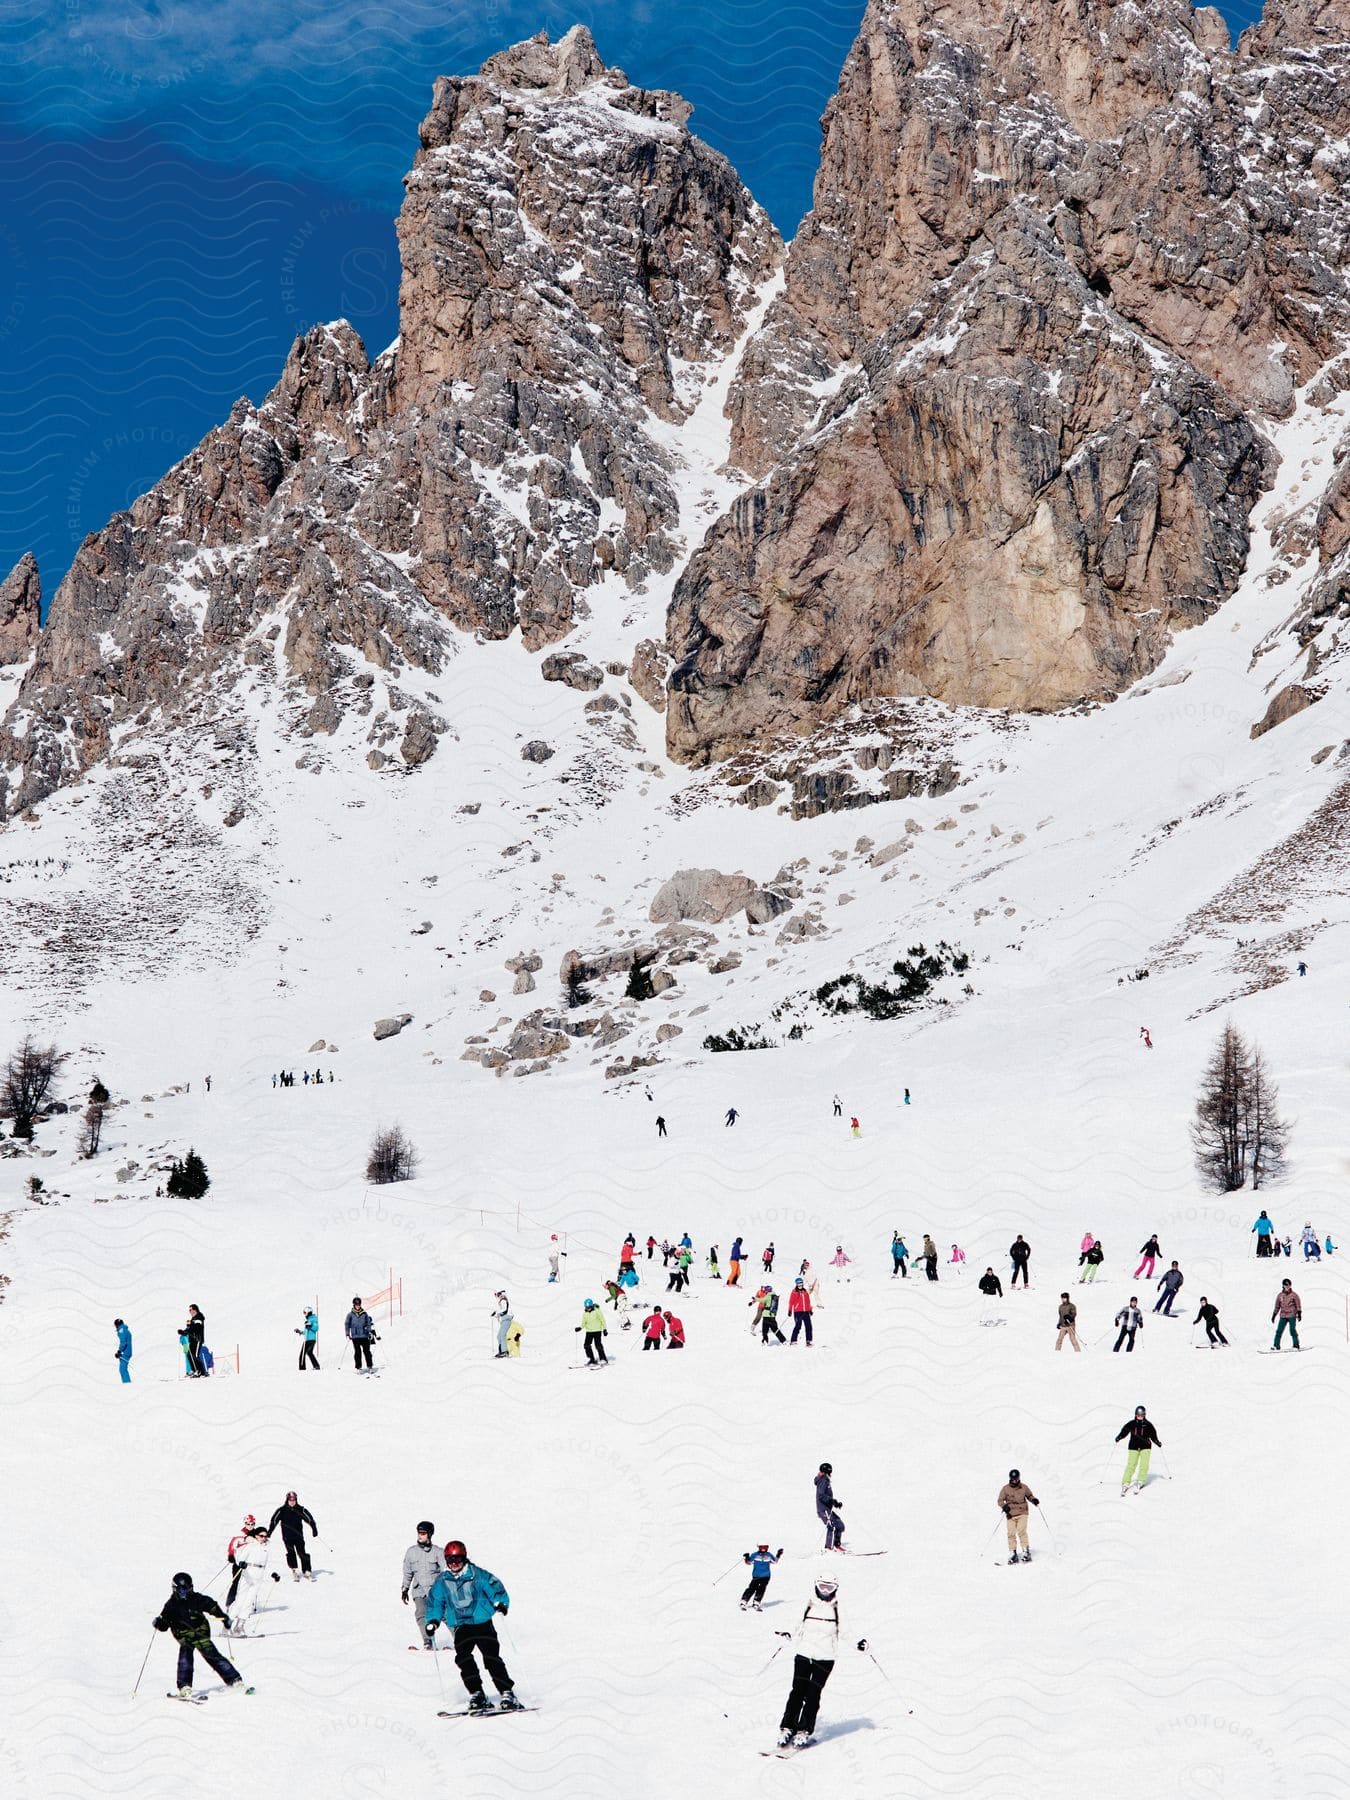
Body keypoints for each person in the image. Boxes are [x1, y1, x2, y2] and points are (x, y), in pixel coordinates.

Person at [424, 1541, 522, 1713]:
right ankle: (477, 1693)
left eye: (458, 1560)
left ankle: (507, 1692)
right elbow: (435, 1602)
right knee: (463, 1659)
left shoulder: (477, 1575)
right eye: (450, 1560)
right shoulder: (442, 1581)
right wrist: (433, 1620)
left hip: (482, 1621)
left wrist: (500, 1602)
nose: (454, 1564)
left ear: (464, 1558)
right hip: (461, 1624)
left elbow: (494, 1586)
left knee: (491, 1658)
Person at [777, 1575, 857, 1748]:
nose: (825, 1591)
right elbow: (795, 1623)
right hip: (804, 1654)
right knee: (797, 1692)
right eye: (822, 1587)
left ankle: (803, 1730)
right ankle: (787, 1727)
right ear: (816, 1586)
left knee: (813, 1694)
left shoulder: (837, 1608)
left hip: (826, 1657)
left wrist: (858, 1643)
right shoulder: (808, 1604)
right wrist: (787, 1633)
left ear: (835, 1588)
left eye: (829, 1588)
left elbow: (846, 1631)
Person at [154, 1572, 246, 1698]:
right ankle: (184, 1686)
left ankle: (235, 1680)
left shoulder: (196, 1598)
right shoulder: (171, 1605)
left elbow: (211, 1605)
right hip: (184, 1635)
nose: (184, 1593)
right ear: (175, 1589)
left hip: (200, 1632)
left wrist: (224, 1618)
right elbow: (164, 1624)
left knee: (213, 1655)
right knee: (185, 1657)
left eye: (187, 1589)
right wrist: (158, 1623)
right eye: (181, 1589)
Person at [402, 1521, 441, 1650]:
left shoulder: (437, 1552)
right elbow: (407, 1571)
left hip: (435, 1590)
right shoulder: (411, 1552)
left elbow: (447, 1569)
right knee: (421, 1613)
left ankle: (459, 1641)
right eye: (419, 1533)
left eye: (423, 1533)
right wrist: (405, 1588)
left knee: (445, 1614)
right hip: (419, 1590)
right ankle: (427, 1641)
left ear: (429, 1534)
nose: (420, 1536)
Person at [229, 1527, 276, 1632]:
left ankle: (240, 1625)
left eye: (265, 1536)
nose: (263, 1538)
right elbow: (240, 1556)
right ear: (256, 1536)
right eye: (261, 1536)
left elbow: (268, 1563)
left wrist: (273, 1574)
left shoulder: (267, 1548)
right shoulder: (251, 1546)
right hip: (249, 1573)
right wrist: (241, 1562)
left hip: (259, 1575)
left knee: (249, 1602)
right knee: (240, 1600)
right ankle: (228, 1624)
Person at [269, 1491, 318, 1580]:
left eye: (294, 1499)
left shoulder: (300, 1509)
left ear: (296, 1500)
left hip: (298, 1536)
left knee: (302, 1552)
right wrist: (269, 1532)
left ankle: (307, 1571)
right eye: (290, 1499)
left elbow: (309, 1518)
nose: (292, 1501)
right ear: (287, 1499)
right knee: (291, 1553)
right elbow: (274, 1521)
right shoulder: (282, 1510)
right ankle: (294, 1569)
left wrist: (314, 1529)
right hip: (287, 1537)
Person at [996, 1469, 1040, 1563]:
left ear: (1019, 1478)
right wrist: (1004, 1506)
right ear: (1010, 1479)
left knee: (1021, 1531)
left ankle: (1025, 1551)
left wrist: (1034, 1500)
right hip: (1010, 1514)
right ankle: (1013, 1553)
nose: (1015, 1481)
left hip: (1022, 1513)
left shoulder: (1023, 1487)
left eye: (1016, 1479)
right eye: (1013, 1479)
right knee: (1011, 1533)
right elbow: (1000, 1500)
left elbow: (1029, 1496)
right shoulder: (1005, 1489)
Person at [1115, 1406, 1161, 1492]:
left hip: (1146, 1446)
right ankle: (1125, 1482)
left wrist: (1157, 1442)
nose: (1140, 1416)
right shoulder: (1131, 1424)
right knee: (1131, 1464)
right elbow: (1124, 1431)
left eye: (1141, 1415)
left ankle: (1141, 1481)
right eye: (1138, 1415)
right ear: (1135, 1415)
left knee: (1144, 1464)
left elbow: (1153, 1435)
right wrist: (1119, 1437)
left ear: (1144, 1415)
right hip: (1133, 1446)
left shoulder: (1148, 1425)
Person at [225, 1515, 258, 1609]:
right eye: (248, 1524)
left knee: (251, 1582)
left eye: (252, 1524)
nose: (250, 1526)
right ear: (245, 1523)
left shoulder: (256, 1533)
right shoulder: (240, 1533)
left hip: (250, 1563)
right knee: (236, 1581)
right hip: (238, 1561)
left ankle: (249, 1604)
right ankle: (230, 1603)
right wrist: (231, 1555)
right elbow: (232, 1544)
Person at [740, 1544, 783, 1610]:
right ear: (759, 1547)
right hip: (756, 1575)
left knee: (761, 1589)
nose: (763, 1549)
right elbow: (749, 1562)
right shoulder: (755, 1555)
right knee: (752, 1588)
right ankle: (744, 1601)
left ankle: (756, 1602)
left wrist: (778, 1554)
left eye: (765, 1547)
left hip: (766, 1575)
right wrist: (747, 1558)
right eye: (762, 1547)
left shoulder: (769, 1555)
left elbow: (775, 1561)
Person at [815, 1463, 844, 1551]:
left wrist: (835, 1503)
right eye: (830, 1472)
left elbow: (825, 1496)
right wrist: (831, 1501)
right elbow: (821, 1495)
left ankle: (836, 1545)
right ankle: (828, 1548)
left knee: (840, 1525)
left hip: (827, 1509)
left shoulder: (825, 1480)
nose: (831, 1474)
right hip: (823, 1509)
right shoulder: (823, 1480)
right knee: (832, 1526)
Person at [345, 1297, 378, 1371]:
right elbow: (347, 1324)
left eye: (359, 1304)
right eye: (356, 1304)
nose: (358, 1306)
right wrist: (347, 1334)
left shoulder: (364, 1314)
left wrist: (369, 1331)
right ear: (354, 1305)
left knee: (367, 1351)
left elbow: (368, 1323)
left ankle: (370, 1366)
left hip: (364, 1335)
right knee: (357, 1352)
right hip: (355, 1336)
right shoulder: (350, 1315)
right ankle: (358, 1367)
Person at [1271, 1278, 1302, 1350]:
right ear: (1283, 1286)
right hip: (1283, 1315)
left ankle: (1296, 1345)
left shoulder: (1294, 1295)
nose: (1287, 1286)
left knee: (1292, 1330)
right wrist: (1274, 1315)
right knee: (1279, 1331)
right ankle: (1276, 1346)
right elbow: (1277, 1306)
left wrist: (1299, 1313)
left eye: (1289, 1285)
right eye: (1286, 1285)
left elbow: (1298, 1305)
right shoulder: (1280, 1295)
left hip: (1292, 1315)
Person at [576, 1298, 608, 1364]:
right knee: (586, 1345)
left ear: (592, 1306)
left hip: (597, 1331)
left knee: (598, 1345)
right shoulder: (585, 1313)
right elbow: (584, 1322)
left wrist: (604, 1329)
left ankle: (603, 1359)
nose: (587, 1308)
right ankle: (591, 1359)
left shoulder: (597, 1311)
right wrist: (580, 1328)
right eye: (586, 1307)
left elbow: (602, 1320)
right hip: (589, 1331)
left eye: (589, 1307)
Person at [182, 1304, 206, 1377]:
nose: (190, 1311)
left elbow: (196, 1328)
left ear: (195, 1310)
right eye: (189, 1310)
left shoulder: (199, 1318)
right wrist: (183, 1332)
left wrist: (188, 1329)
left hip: (197, 1339)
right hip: (192, 1340)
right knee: (190, 1355)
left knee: (195, 1355)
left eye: (191, 1310)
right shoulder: (193, 1319)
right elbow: (190, 1328)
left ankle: (201, 1372)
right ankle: (194, 1370)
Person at [789, 1277, 814, 1345]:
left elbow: (808, 1301)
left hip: (806, 1311)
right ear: (796, 1284)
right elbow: (791, 1302)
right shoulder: (794, 1292)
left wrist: (810, 1310)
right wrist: (790, 1310)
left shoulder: (805, 1291)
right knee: (798, 1326)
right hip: (798, 1312)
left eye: (801, 1284)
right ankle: (793, 1340)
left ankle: (808, 1340)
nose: (800, 1285)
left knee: (808, 1326)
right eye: (798, 1284)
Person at [492, 1292, 513, 1358]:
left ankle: (505, 1352)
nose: (497, 1297)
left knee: (502, 1335)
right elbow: (503, 1311)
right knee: (499, 1336)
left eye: (498, 1295)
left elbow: (504, 1310)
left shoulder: (503, 1300)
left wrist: (496, 1312)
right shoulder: (502, 1301)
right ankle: (501, 1351)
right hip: (504, 1320)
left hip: (506, 1320)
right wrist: (496, 1314)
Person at [114, 1317, 133, 1383]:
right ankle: (127, 1383)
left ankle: (127, 1384)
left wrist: (119, 1351)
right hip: (128, 1351)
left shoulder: (121, 1330)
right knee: (123, 1369)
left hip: (125, 1353)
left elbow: (123, 1342)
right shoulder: (126, 1330)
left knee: (122, 1369)